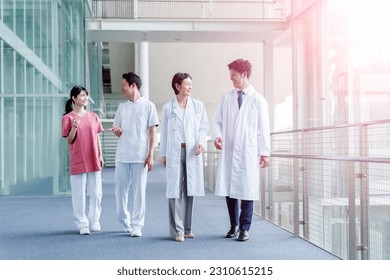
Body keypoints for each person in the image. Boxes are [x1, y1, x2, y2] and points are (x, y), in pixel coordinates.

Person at [212, 59, 271, 241]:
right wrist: (217, 136)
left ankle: (245, 228)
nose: (231, 79)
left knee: (247, 190)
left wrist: (265, 152)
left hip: (248, 151)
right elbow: (217, 121)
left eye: (234, 76)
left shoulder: (258, 100)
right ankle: (233, 225)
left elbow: (264, 127)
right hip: (230, 150)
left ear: (244, 74)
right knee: (230, 189)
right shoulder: (226, 98)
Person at [160, 72, 209, 242]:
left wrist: (201, 143)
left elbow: (204, 128)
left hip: (191, 152)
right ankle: (177, 231)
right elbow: (164, 133)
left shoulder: (198, 106)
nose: (190, 87)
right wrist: (164, 154)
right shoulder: (168, 108)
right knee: (174, 191)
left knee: (190, 190)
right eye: (187, 84)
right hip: (175, 152)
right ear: (177, 86)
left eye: (191, 84)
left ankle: (187, 228)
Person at [110, 72, 159, 237]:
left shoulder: (149, 106)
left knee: (139, 192)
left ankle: (137, 225)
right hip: (122, 155)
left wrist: (150, 155)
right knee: (119, 191)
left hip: (140, 156)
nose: (121, 88)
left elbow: (152, 132)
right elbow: (118, 130)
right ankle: (125, 220)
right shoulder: (122, 108)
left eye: (123, 84)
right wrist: (117, 131)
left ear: (133, 85)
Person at [61, 86, 104, 235]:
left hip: (93, 157)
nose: (85, 98)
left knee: (96, 193)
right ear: (74, 98)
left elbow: (97, 136)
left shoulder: (93, 116)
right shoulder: (67, 118)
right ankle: (82, 223)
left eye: (86, 95)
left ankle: (95, 219)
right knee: (79, 194)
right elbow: (69, 140)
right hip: (78, 158)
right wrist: (73, 128)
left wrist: (100, 155)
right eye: (82, 96)